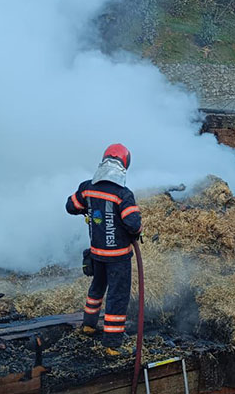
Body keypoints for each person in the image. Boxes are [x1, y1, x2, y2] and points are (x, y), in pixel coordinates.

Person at [66, 144, 142, 356]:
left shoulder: (87, 187)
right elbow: (133, 224)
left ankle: (89, 325)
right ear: (124, 165)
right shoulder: (123, 194)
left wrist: (89, 208)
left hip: (97, 253)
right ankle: (112, 344)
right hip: (118, 258)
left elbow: (71, 206)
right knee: (117, 297)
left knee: (97, 288)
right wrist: (139, 229)